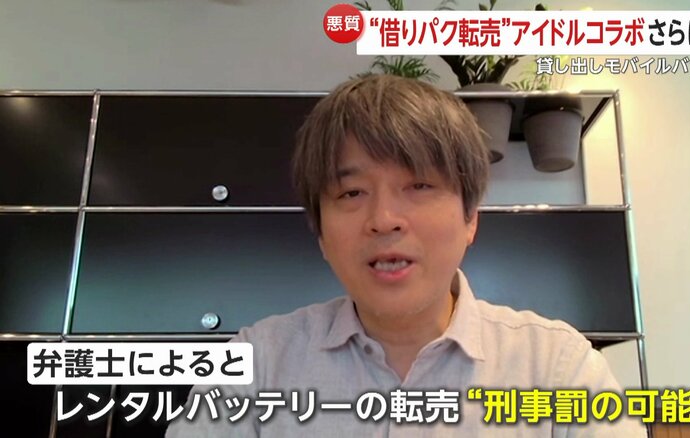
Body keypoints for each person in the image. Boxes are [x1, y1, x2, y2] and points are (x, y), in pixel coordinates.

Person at [166, 74, 647, 437]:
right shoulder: (256, 365)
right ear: (321, 234)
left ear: (470, 218)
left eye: (419, 185)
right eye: (351, 193)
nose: (384, 219)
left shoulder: (558, 368)